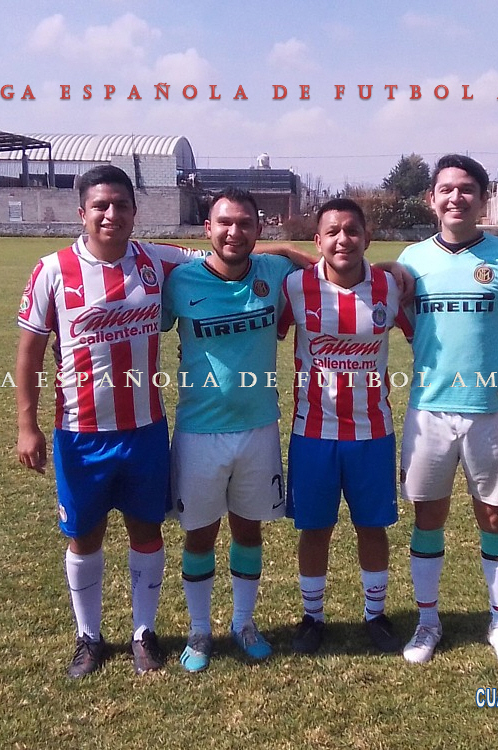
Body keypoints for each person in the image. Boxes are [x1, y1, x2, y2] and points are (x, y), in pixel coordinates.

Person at [15, 165, 205, 679]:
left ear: (134, 212)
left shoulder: (157, 260)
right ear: (82, 212)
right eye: (100, 205)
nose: (111, 214)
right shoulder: (52, 270)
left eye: (121, 205)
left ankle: (144, 632)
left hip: (144, 430)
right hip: (80, 434)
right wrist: (27, 426)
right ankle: (89, 637)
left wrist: (302, 257)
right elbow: (29, 355)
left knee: (146, 530)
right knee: (84, 535)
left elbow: (227, 255)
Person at [397, 154, 498, 670]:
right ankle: (427, 622)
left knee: (494, 516)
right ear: (431, 199)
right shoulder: (411, 260)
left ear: (483, 199)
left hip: (490, 412)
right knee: (427, 517)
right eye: (446, 189)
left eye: (466, 189)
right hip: (428, 413)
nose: (455, 197)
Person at [161, 188, 304, 673]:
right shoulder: (180, 281)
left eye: (245, 224)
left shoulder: (275, 271)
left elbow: (327, 266)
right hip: (199, 431)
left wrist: (286, 250)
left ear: (259, 229)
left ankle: (243, 622)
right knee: (199, 535)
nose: (233, 232)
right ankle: (200, 630)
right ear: (207, 228)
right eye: (224, 223)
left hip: (259, 427)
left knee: (248, 528)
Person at [278, 198, 413, 655]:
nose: (343, 239)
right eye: (332, 231)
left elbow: (420, 331)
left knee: (372, 527)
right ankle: (312, 617)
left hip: (372, 433)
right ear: (317, 241)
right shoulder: (294, 287)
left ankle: (375, 615)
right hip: (312, 433)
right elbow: (254, 263)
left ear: (367, 238)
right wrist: (288, 250)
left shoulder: (390, 287)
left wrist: (398, 268)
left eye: (352, 230)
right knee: (315, 529)